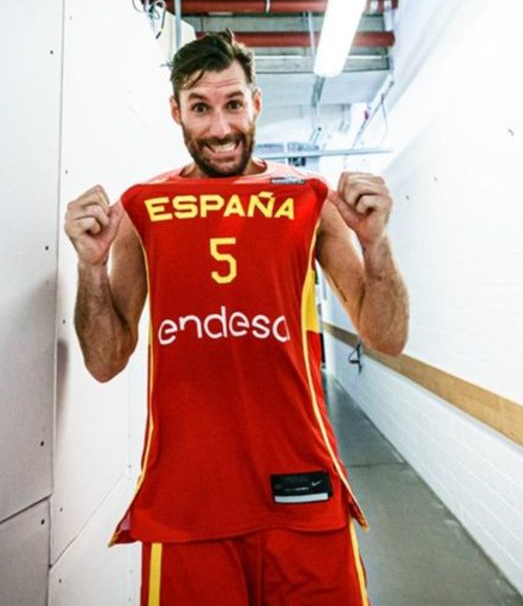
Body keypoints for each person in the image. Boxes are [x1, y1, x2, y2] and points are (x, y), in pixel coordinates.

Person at [64, 31, 409, 605]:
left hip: (303, 495)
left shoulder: (308, 199)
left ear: (256, 102)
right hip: (187, 507)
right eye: (200, 108)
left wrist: (375, 245)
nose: (221, 128)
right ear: (176, 111)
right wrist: (90, 270)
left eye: (232, 104)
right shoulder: (142, 208)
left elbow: (388, 337)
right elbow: (104, 361)